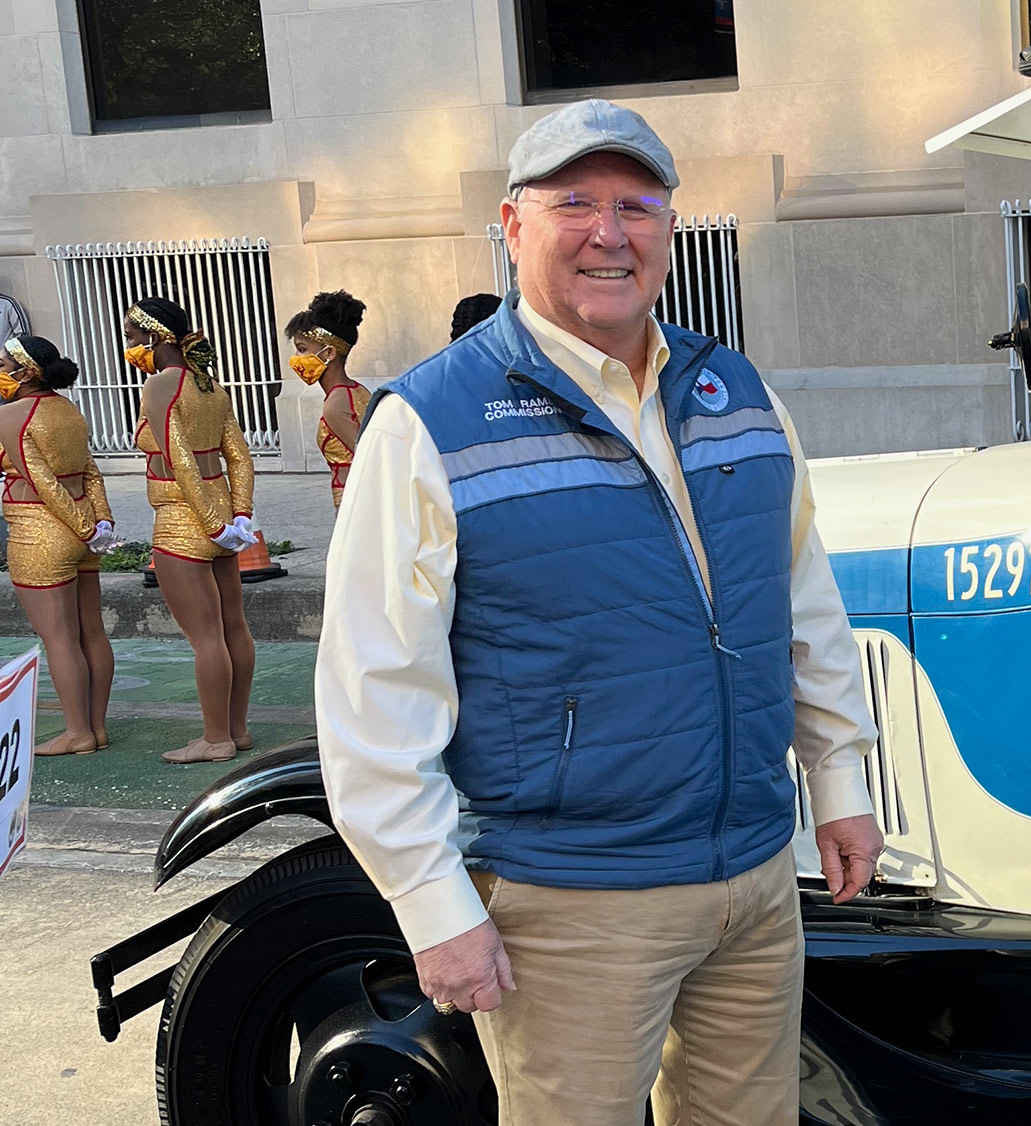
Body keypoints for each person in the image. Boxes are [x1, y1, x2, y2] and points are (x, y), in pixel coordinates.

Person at [316, 99, 883, 1126]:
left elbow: (799, 593)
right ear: (512, 222)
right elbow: (374, 688)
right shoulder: (428, 420)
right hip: (570, 899)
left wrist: (836, 775)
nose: (608, 231)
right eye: (572, 200)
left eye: (637, 204)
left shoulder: (734, 388)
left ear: (669, 228)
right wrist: (432, 903)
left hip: (752, 873)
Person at [125, 297, 258, 764]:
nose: (130, 346)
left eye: (132, 336)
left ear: (157, 338)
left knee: (206, 637)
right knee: (233, 627)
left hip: (184, 520)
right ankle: (236, 730)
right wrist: (239, 516)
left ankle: (215, 738)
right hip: (220, 516)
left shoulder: (163, 384)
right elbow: (239, 455)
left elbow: (179, 459)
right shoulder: (210, 386)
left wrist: (212, 521)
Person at [0, 336, 116, 757]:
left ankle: (76, 732)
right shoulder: (68, 410)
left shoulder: (13, 414)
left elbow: (41, 482)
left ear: (26, 372)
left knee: (60, 638)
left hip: (40, 530)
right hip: (81, 527)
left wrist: (87, 526)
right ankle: (96, 728)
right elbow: (90, 470)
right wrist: (99, 522)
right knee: (91, 631)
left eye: (4, 363)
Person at [284, 291, 372, 509]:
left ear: (329, 353)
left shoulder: (335, 405)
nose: (297, 358)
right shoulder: (359, 391)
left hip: (356, 503)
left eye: (302, 349)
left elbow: (371, 460)